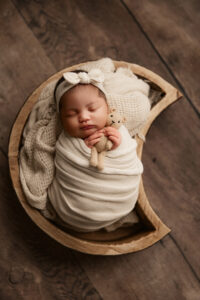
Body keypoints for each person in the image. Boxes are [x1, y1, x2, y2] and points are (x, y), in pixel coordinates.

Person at [47, 69, 143, 232]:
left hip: (119, 198)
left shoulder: (118, 130)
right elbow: (64, 158)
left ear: (107, 109)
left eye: (92, 109)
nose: (84, 117)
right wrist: (83, 150)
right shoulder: (66, 142)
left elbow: (127, 154)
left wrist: (118, 144)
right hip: (74, 208)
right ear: (61, 120)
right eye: (71, 114)